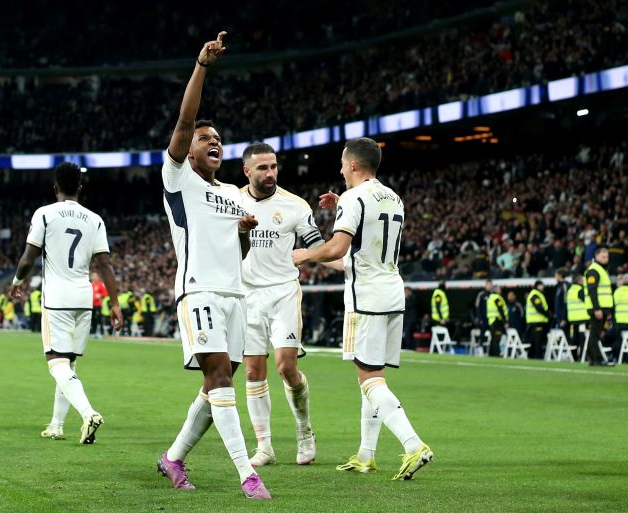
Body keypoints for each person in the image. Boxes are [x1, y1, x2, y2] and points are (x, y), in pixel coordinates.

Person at [156, 32, 271, 501]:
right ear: (190, 149)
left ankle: (173, 458)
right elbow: (185, 121)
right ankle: (248, 474)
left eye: (219, 139)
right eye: (206, 138)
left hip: (234, 295)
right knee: (221, 379)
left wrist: (243, 231)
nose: (214, 142)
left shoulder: (233, 196)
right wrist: (202, 66)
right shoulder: (178, 178)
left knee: (214, 385)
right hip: (199, 292)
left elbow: (238, 254)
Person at [293, 137, 433, 481]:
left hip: (366, 297)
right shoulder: (393, 197)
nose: (340, 169)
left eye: (343, 163)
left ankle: (414, 445)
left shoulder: (354, 198)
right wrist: (343, 204)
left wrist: (304, 255)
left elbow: (338, 248)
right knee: (371, 376)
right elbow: (361, 246)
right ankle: (366, 455)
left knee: (370, 379)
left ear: (354, 164)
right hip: (391, 291)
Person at [9, 162, 124, 444]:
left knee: (56, 363)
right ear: (80, 189)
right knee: (68, 364)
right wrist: (115, 303)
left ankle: (88, 413)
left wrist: (17, 281)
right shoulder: (95, 219)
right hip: (84, 298)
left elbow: (28, 257)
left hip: (57, 298)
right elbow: (105, 265)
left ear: (55, 187)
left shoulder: (45, 214)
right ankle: (56, 425)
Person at [238, 142, 324, 467]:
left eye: (273, 166)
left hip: (283, 292)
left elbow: (317, 246)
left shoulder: (295, 205)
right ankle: (264, 446)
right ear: (247, 171)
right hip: (247, 295)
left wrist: (335, 259)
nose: (270, 173)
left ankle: (304, 430)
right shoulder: (233, 202)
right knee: (252, 371)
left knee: (287, 367)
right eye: (263, 168)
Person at [584, 248, 615, 366]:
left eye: (607, 257)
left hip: (602, 307)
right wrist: (597, 308)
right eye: (603, 257)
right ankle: (598, 359)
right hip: (597, 308)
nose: (606, 259)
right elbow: (592, 290)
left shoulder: (601, 269)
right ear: (596, 256)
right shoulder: (594, 270)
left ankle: (591, 357)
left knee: (595, 334)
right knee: (595, 334)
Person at [566, 272, 589, 360]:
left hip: (573, 319)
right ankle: (583, 356)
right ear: (578, 281)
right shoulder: (580, 290)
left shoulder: (570, 290)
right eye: (582, 280)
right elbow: (587, 301)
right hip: (582, 318)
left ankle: (574, 357)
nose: (583, 281)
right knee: (582, 339)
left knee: (574, 339)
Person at [525, 280, 550, 359]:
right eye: (542, 285)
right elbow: (539, 307)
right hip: (536, 321)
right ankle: (538, 356)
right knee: (538, 341)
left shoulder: (538, 294)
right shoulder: (535, 294)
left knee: (534, 340)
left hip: (537, 321)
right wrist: (548, 314)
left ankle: (531, 355)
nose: (543, 287)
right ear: (537, 286)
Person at [486, 286, 508, 357]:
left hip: (491, 320)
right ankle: (496, 354)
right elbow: (500, 309)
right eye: (499, 289)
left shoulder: (490, 297)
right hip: (497, 321)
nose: (500, 290)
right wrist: (505, 322)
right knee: (497, 339)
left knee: (493, 339)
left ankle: (491, 354)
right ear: (495, 290)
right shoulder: (496, 297)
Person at [90, 272, 107, 339]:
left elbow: (105, 293)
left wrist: (100, 295)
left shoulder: (100, 284)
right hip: (90, 305)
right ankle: (93, 332)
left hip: (97, 305)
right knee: (92, 319)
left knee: (98, 318)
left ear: (98, 277)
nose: (93, 277)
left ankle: (101, 332)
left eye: (95, 276)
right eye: (93, 275)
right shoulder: (89, 284)